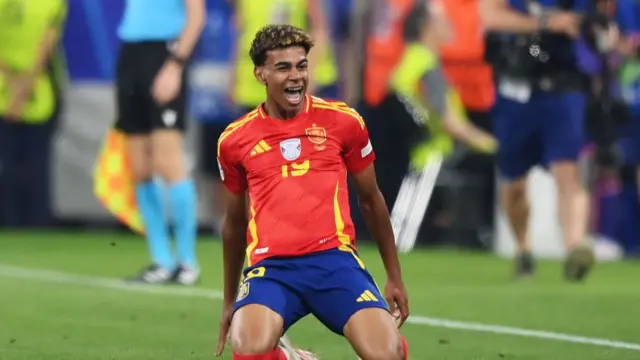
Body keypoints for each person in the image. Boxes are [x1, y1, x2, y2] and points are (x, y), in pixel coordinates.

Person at [215, 25, 410, 360]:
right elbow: (234, 224)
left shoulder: (343, 122)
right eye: (283, 68)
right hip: (271, 269)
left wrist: (394, 276)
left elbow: (371, 199)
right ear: (260, 74)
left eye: (301, 66)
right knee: (247, 348)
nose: (296, 76)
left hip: (334, 262)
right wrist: (230, 300)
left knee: (387, 354)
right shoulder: (235, 140)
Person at [480, 0, 606, 280]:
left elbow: (600, 22)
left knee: (568, 170)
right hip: (516, 88)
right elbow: (489, 15)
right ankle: (524, 250)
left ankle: (575, 249)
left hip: (564, 86)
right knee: (514, 183)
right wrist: (547, 23)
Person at [114, 0, 205, 284]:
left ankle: (187, 262)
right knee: (139, 166)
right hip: (131, 52)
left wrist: (175, 66)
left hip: (164, 53)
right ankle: (162, 260)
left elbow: (196, 17)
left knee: (167, 160)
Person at [0, 0, 67, 228]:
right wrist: (22, 87)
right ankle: (27, 222)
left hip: (33, 89)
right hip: (32, 88)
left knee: (29, 162)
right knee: (25, 162)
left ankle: (27, 222)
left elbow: (46, 48)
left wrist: (16, 87)